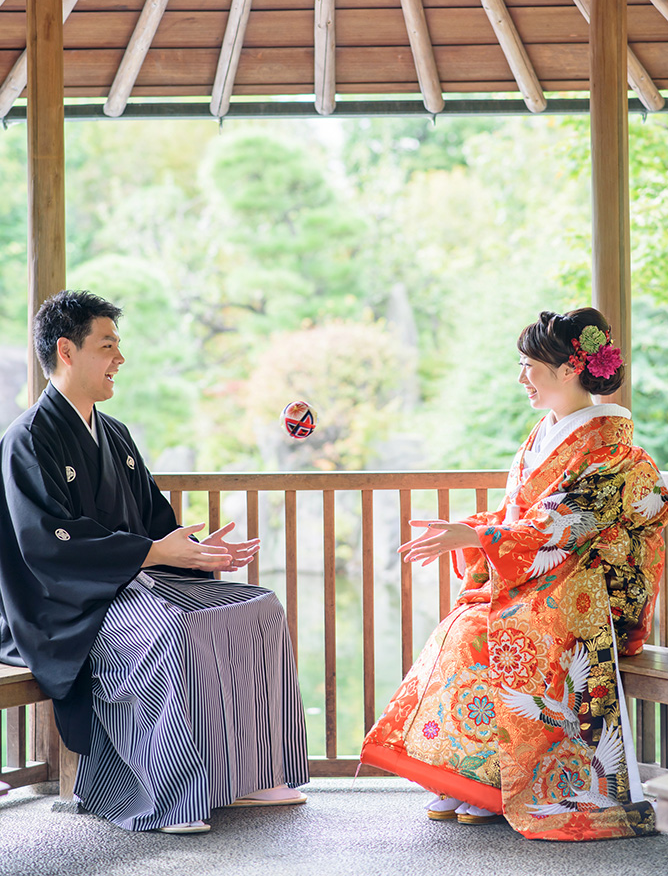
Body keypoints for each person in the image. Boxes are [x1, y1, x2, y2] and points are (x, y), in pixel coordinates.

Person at [0, 290, 308, 833]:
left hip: (128, 584)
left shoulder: (113, 433)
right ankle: (164, 798)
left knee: (255, 606)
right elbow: (47, 543)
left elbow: (153, 520)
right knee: (170, 631)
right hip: (59, 607)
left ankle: (253, 772)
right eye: (108, 346)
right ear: (67, 351)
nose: (120, 359)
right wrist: (154, 552)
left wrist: (194, 551)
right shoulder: (27, 439)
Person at [361, 308, 668, 841]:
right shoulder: (543, 437)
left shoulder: (615, 451)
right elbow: (518, 520)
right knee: (466, 626)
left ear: (569, 369)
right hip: (547, 579)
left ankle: (502, 785)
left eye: (530, 366)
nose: (522, 377)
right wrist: (471, 530)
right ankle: (474, 781)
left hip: (591, 593)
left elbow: (565, 523)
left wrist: (480, 539)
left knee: (492, 630)